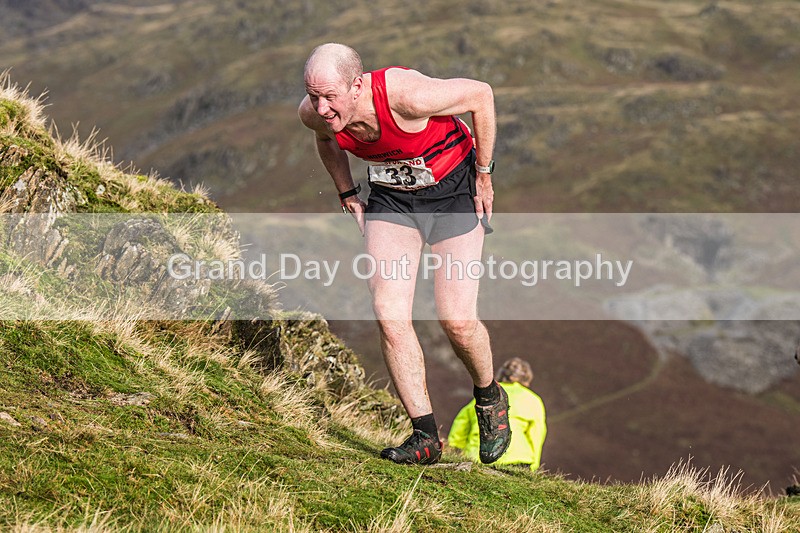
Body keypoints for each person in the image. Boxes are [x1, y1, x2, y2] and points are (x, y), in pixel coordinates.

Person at [298, 43, 509, 465]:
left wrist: (484, 175)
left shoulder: (408, 95)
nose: (321, 107)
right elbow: (326, 140)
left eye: (330, 96)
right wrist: (346, 190)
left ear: (357, 86)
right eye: (313, 95)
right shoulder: (313, 113)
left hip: (454, 193)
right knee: (389, 314)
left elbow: (481, 95)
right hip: (394, 202)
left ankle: (490, 398)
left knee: (457, 319)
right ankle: (425, 436)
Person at [449, 357, 547, 470]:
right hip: (517, 457)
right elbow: (536, 433)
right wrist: (534, 464)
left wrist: (456, 451)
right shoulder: (533, 399)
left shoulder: (487, 397)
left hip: (479, 455)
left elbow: (460, 426)